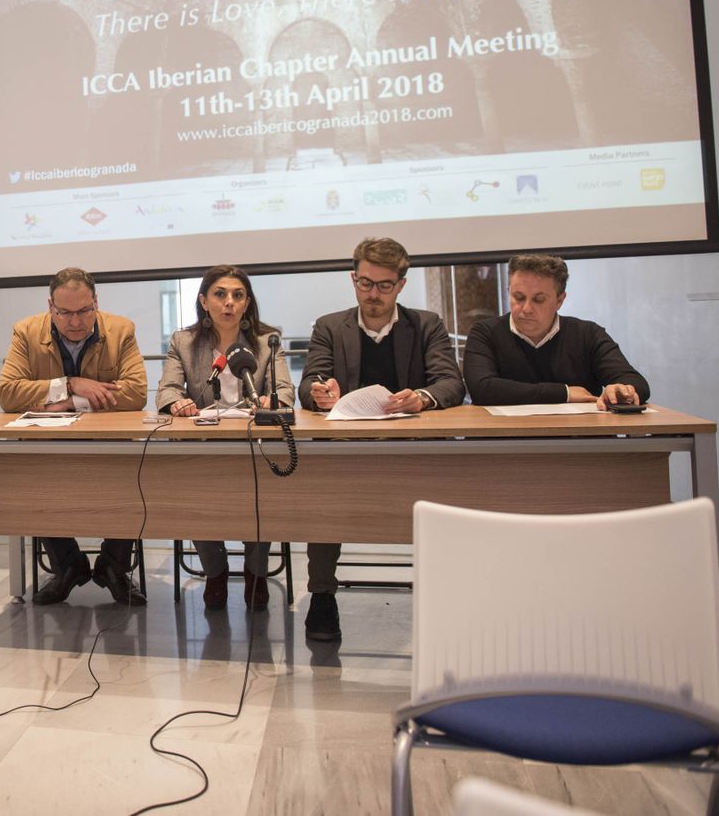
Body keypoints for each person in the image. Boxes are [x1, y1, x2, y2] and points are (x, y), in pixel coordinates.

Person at [298, 237, 463, 642]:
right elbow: (309, 383)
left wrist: (422, 398)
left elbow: (451, 383)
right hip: (344, 450)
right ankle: (322, 595)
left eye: (384, 286)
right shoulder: (329, 326)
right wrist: (320, 393)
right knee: (322, 500)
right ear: (353, 279)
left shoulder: (426, 325)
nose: (373, 294)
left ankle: (445, 594)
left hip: (411, 448)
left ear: (401, 286)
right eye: (365, 283)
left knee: (443, 501)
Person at [0, 267, 149, 605]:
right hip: (48, 448)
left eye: (83, 311)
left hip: (110, 447)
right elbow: (8, 393)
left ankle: (114, 566)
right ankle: (67, 566)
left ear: (96, 302)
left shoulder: (121, 330)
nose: (75, 321)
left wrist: (71, 401)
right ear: (50, 306)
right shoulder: (25, 332)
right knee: (30, 476)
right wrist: (70, 383)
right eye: (65, 312)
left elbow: (136, 393)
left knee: (133, 474)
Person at [155, 265, 294, 612]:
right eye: (220, 294)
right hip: (205, 450)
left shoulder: (266, 341)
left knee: (261, 496)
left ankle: (255, 574)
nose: (228, 302)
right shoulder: (184, 343)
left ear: (247, 304)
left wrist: (270, 401)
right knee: (197, 498)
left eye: (237, 295)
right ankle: (215, 573)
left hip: (255, 448)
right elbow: (167, 391)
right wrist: (178, 403)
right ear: (204, 301)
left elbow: (284, 392)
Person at [464, 253, 649, 408]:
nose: (526, 308)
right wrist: (565, 393)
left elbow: (636, 383)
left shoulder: (587, 334)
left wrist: (621, 390)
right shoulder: (485, 333)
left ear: (560, 300)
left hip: (580, 442)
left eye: (539, 300)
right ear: (508, 291)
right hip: (506, 443)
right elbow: (482, 389)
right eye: (518, 297)